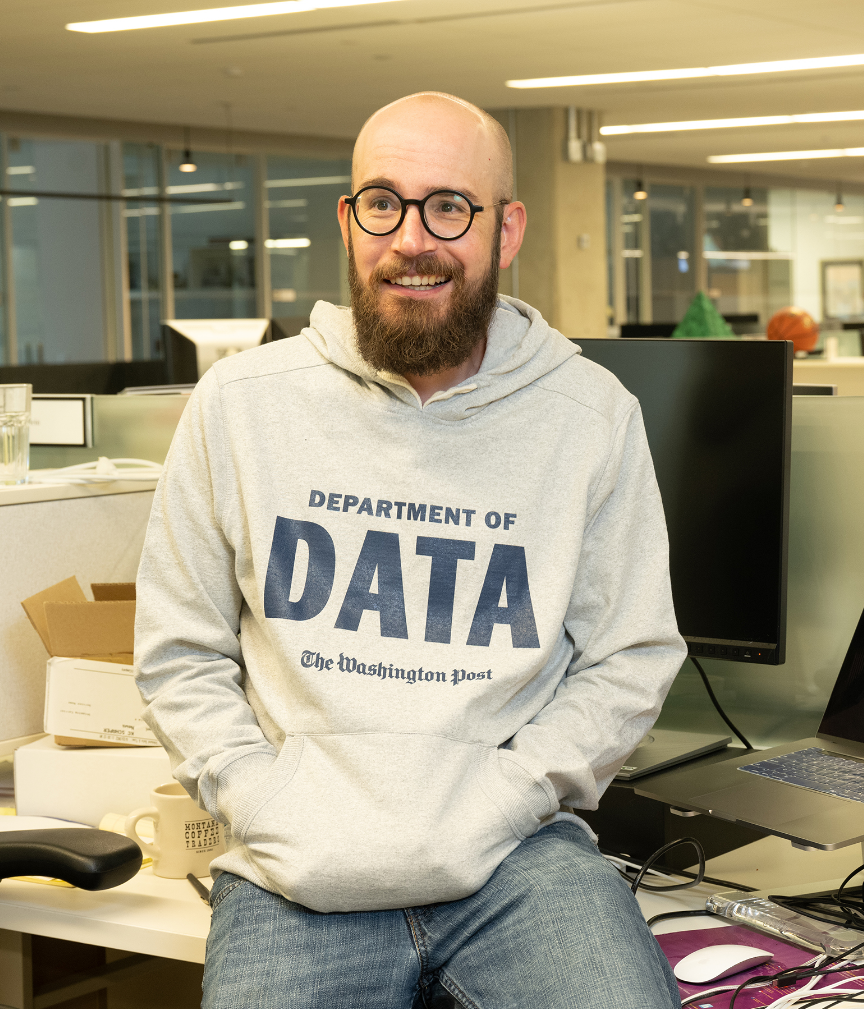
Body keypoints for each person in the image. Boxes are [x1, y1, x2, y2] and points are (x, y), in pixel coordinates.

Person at [134, 91, 686, 1009]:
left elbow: (631, 657)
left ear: (506, 230)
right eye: (383, 203)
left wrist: (510, 793)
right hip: (294, 870)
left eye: (449, 207)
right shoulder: (240, 405)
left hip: (516, 859)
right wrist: (260, 798)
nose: (412, 239)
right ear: (350, 222)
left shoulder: (590, 418)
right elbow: (179, 650)